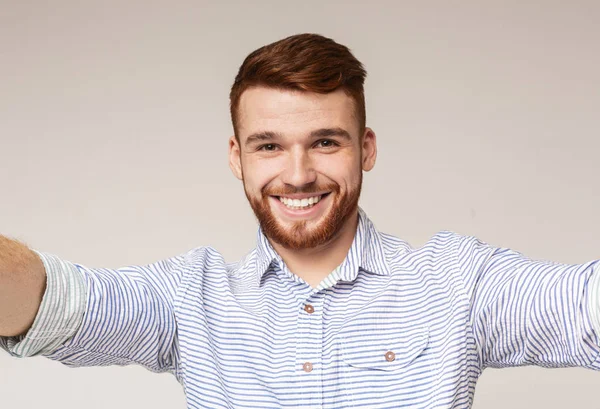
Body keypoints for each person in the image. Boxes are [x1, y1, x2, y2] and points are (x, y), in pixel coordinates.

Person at [1, 33, 599, 409]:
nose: (298, 173)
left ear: (366, 148)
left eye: (325, 143)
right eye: (268, 146)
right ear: (236, 157)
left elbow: (582, 308)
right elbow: (54, 301)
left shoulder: (456, 284)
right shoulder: (190, 300)